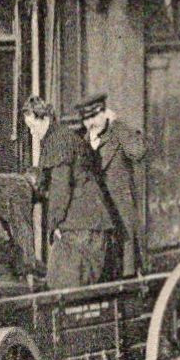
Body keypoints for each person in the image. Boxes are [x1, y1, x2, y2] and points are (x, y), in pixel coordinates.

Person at [38, 95, 119, 290]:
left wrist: (53, 224)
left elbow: (60, 187)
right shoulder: (74, 140)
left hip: (81, 227)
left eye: (33, 127)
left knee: (64, 288)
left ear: (46, 120)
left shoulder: (59, 141)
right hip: (92, 226)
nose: (33, 133)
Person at [79, 93, 147, 276]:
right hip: (98, 218)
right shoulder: (83, 143)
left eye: (94, 116)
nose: (90, 123)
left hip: (120, 216)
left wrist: (116, 124)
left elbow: (138, 152)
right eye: (86, 119)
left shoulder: (118, 133)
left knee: (126, 269)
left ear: (105, 113)